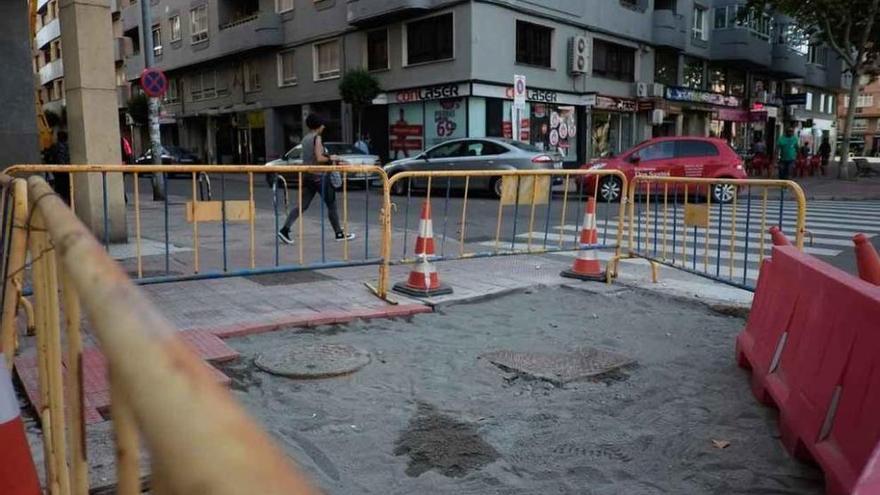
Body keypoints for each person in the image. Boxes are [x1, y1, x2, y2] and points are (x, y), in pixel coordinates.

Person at [278, 114, 355, 244]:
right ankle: (339, 234)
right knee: (332, 205)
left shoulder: (305, 138)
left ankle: (285, 229)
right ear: (319, 126)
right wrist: (332, 158)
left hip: (307, 175)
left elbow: (311, 156)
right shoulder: (317, 138)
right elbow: (319, 158)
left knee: (302, 205)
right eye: (322, 124)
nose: (324, 127)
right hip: (319, 176)